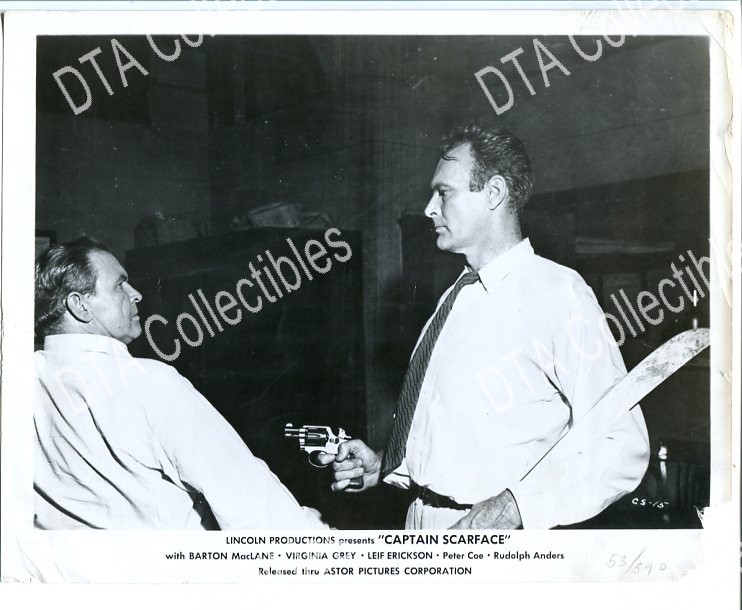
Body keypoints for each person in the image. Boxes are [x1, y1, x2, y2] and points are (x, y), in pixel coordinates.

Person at [319, 123, 650, 530]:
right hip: (419, 521)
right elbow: (462, 436)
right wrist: (386, 465)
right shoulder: (455, 297)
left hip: (496, 541)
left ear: (493, 193)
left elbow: (622, 445)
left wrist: (518, 507)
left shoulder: (559, 294)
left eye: (444, 193)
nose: (429, 209)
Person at [33, 237, 326, 529]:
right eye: (120, 285)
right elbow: (254, 506)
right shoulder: (149, 382)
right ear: (80, 305)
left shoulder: (25, 380)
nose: (136, 294)